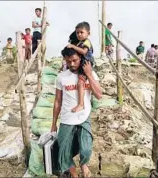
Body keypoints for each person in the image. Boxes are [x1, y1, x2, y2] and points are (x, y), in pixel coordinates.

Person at [51, 47, 102, 178]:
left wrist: (89, 74)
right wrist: (53, 123)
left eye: (75, 60)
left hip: (83, 117)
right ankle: (74, 174)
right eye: (68, 62)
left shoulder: (89, 75)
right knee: (64, 150)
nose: (72, 64)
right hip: (67, 119)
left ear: (81, 59)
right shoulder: (61, 77)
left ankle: (84, 164)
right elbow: (57, 101)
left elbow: (99, 95)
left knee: (86, 148)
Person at [66, 22, 94, 113]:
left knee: (80, 83)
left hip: (85, 64)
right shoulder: (80, 42)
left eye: (81, 32)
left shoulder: (87, 42)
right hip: (81, 64)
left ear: (88, 33)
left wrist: (73, 46)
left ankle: (81, 104)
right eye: (77, 33)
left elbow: (84, 52)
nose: (79, 34)